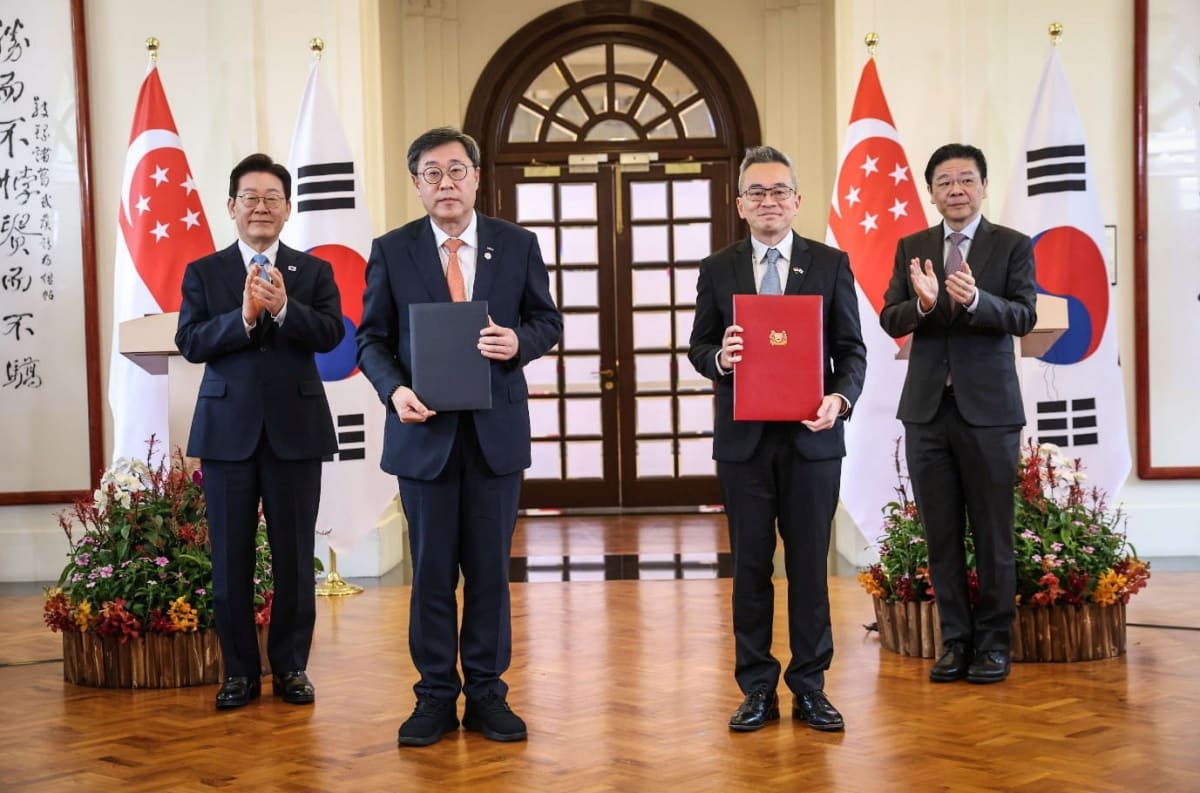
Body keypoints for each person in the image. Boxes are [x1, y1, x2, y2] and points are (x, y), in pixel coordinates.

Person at [356, 127, 562, 747]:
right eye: (431, 174)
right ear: (417, 184)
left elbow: (546, 320)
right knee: (433, 574)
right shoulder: (392, 251)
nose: (445, 183)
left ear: (476, 177)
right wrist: (394, 390)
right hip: (424, 437)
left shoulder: (516, 244)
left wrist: (518, 343)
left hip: (494, 436)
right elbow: (371, 340)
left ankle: (489, 694)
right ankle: (434, 697)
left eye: (455, 171)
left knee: (490, 573)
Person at [688, 145, 866, 733]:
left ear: (797, 201)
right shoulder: (718, 268)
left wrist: (839, 401)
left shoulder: (830, 263)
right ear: (740, 204)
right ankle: (757, 687)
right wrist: (721, 357)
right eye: (756, 193)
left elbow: (852, 352)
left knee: (810, 567)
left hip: (813, 440)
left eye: (779, 191)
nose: (769, 202)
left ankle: (811, 687)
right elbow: (698, 348)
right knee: (751, 568)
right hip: (744, 445)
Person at [175, 153, 344, 710]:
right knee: (230, 560)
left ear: (288, 208)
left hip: (296, 432)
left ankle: (291, 668)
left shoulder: (314, 272)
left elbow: (330, 336)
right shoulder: (205, 272)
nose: (262, 207)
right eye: (251, 197)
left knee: (295, 560)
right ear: (231, 206)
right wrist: (245, 316)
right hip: (227, 434)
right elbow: (192, 342)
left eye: (273, 198)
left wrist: (286, 308)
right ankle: (239, 673)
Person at [880, 143, 1037, 685]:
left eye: (966, 180)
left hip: (990, 413)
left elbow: (1023, 314)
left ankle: (994, 645)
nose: (956, 190)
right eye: (944, 181)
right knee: (941, 534)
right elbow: (888, 315)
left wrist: (975, 302)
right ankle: (955, 642)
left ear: (984, 187)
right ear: (931, 191)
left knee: (994, 533)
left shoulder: (1011, 246)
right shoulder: (913, 246)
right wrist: (923, 305)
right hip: (926, 411)